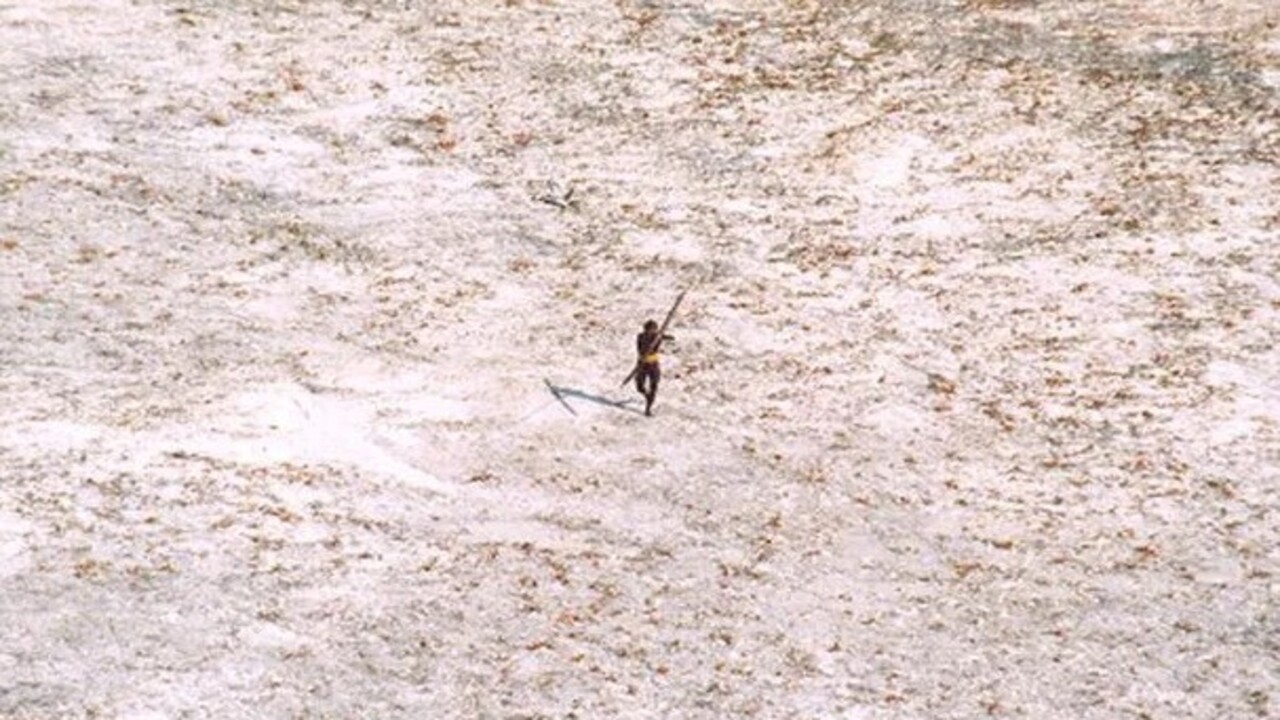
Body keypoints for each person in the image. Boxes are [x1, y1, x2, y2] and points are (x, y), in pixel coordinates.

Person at [635, 319, 673, 417]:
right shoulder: (641, 336)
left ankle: (648, 409)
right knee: (639, 386)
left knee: (654, 386)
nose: (652, 331)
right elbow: (641, 348)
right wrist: (654, 341)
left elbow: (665, 337)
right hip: (642, 364)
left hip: (653, 365)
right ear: (646, 329)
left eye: (654, 329)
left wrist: (664, 337)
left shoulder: (657, 336)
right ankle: (647, 396)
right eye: (650, 329)